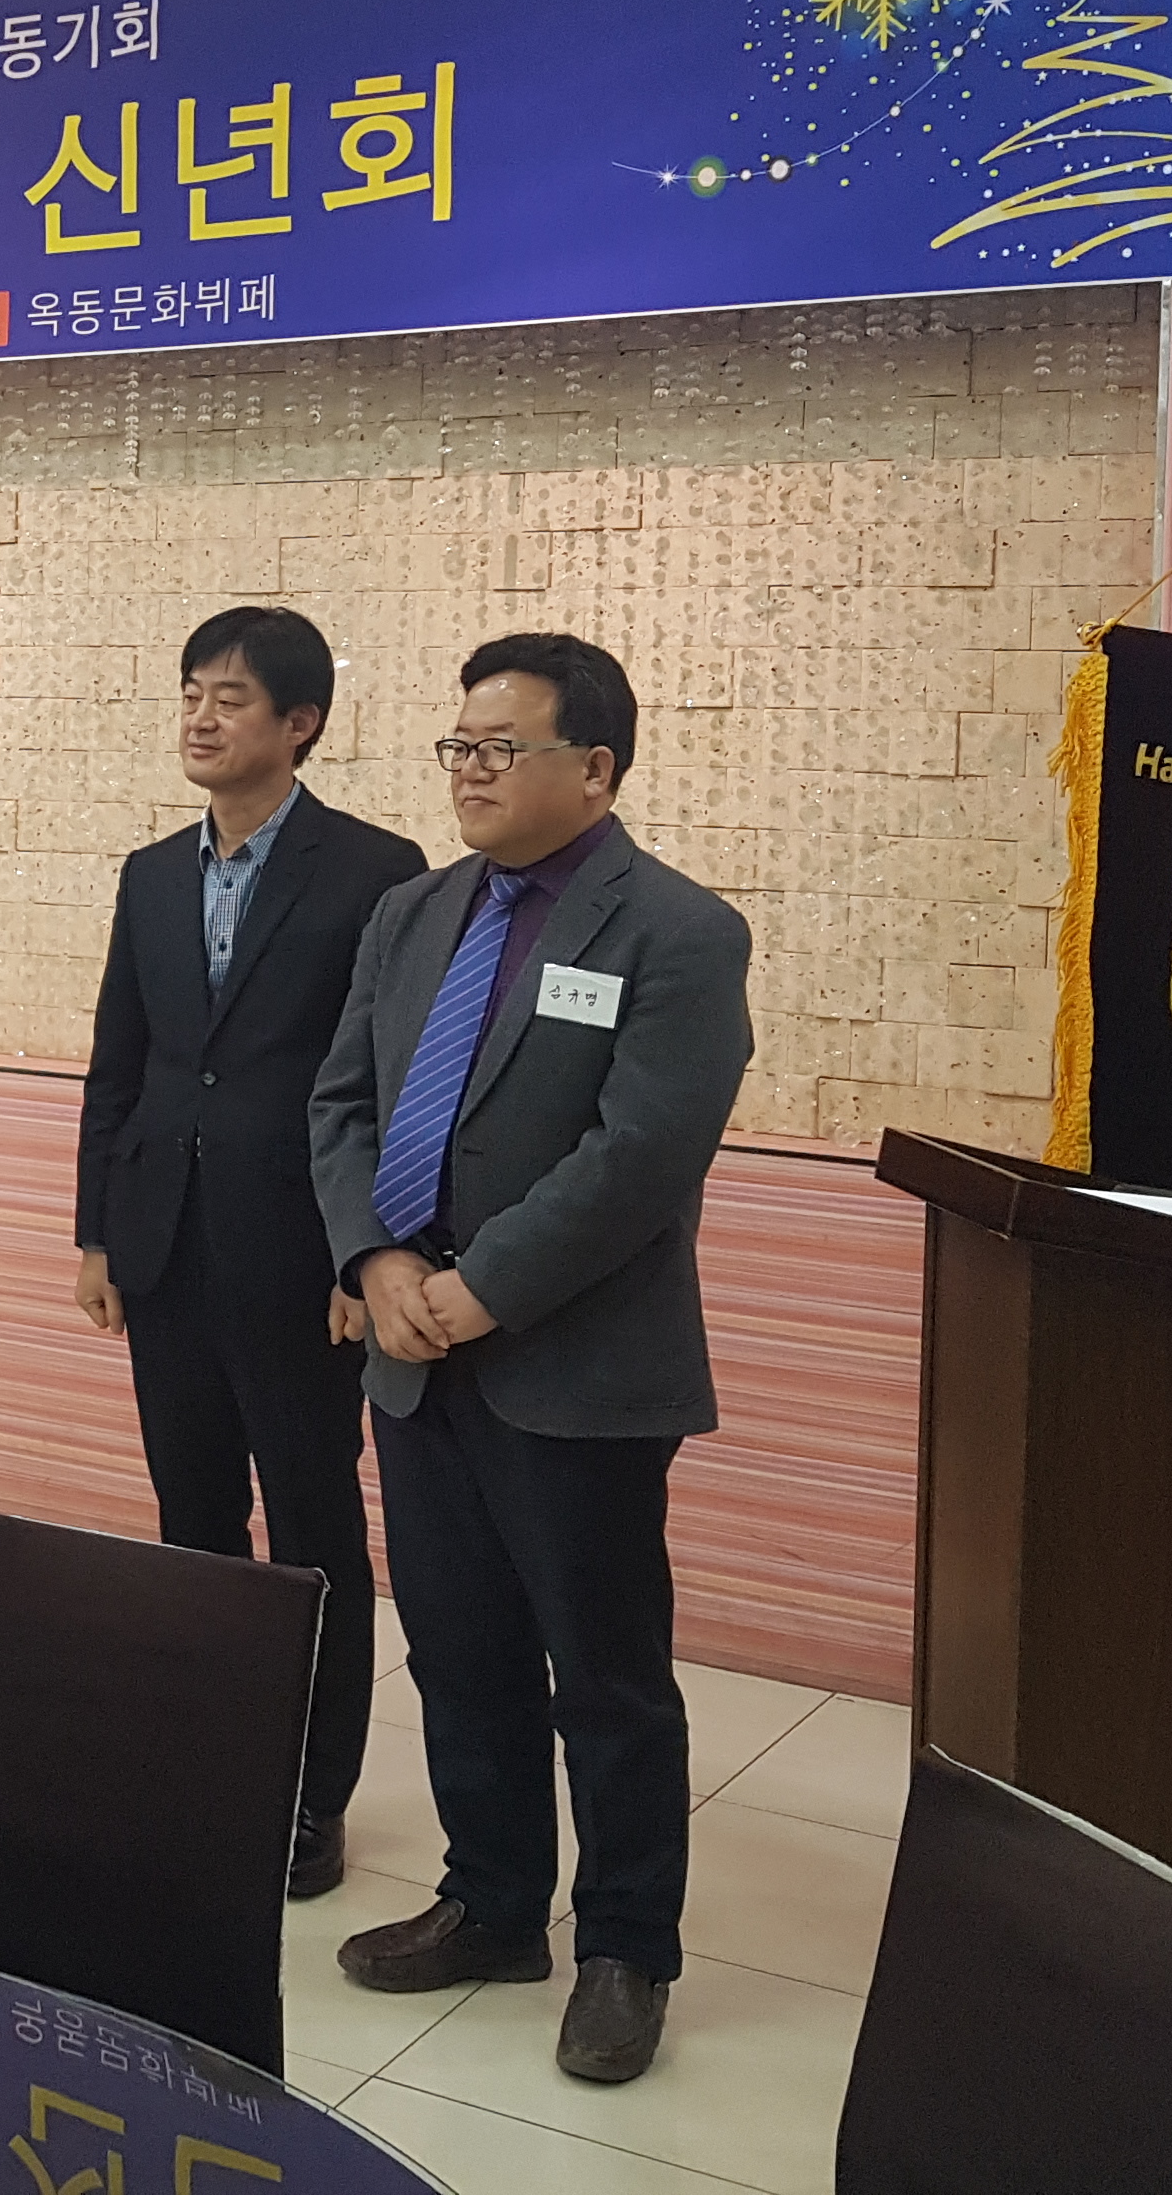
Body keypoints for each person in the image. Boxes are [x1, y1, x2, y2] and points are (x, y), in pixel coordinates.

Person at [308, 631, 752, 2087]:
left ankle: (626, 1948)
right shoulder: (412, 915)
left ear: (596, 768)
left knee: (606, 1677)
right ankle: (493, 1903)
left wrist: (480, 1289)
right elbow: (343, 1102)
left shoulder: (678, 933)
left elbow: (642, 1156)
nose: (471, 771)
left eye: (502, 748)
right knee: (457, 1650)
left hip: (576, 1370)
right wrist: (377, 1264)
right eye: (460, 746)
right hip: (411, 1354)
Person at [76, 606, 426, 1902]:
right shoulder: (150, 874)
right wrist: (97, 1230)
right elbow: (120, 1061)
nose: (201, 717)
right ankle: (212, 1757)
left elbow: (392, 1081)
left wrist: (364, 1255)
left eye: (230, 697)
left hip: (302, 1257)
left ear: (301, 722)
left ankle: (313, 1794)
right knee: (194, 1520)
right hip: (165, 1242)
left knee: (315, 1526)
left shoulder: (377, 871)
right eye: (190, 693)